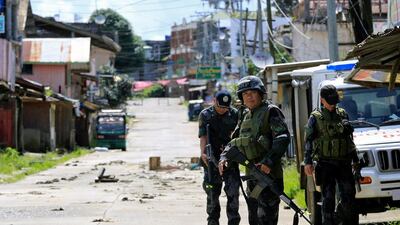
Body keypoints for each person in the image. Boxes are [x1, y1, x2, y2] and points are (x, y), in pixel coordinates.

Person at [219, 76, 290, 225]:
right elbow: (234, 141)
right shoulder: (245, 114)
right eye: (245, 94)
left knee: (267, 220)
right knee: (254, 219)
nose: (249, 96)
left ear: (260, 93)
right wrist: (224, 157)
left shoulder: (271, 111)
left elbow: (282, 138)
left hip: (269, 176)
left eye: (252, 92)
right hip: (251, 176)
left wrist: (268, 162)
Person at [303, 84, 359, 225]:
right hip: (326, 163)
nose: (333, 104)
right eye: (330, 101)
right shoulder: (315, 117)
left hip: (344, 163)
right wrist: (307, 161)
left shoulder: (342, 113)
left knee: (349, 197)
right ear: (322, 100)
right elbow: (308, 140)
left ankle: (342, 219)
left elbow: (349, 140)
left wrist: (355, 159)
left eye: (335, 101)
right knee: (328, 199)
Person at [198, 90, 240, 225]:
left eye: (225, 107)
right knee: (212, 194)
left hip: (230, 158)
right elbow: (203, 136)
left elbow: (237, 134)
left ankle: (233, 222)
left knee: (233, 192)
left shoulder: (234, 114)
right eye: (220, 106)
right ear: (214, 101)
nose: (223, 110)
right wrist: (203, 152)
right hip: (211, 158)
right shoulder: (205, 115)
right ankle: (212, 221)